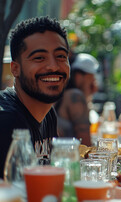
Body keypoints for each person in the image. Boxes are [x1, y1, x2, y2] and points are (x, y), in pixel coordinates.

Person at [0, 16, 70, 178]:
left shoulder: (48, 114)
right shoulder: (6, 121)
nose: (53, 66)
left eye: (60, 56)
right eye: (39, 58)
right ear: (15, 69)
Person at [55, 53, 99, 146]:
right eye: (91, 79)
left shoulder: (63, 94)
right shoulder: (75, 96)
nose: (94, 85)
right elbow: (85, 145)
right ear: (78, 76)